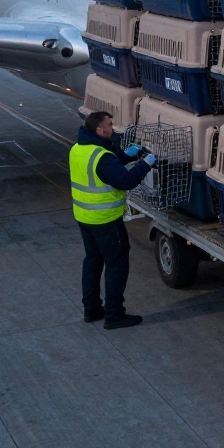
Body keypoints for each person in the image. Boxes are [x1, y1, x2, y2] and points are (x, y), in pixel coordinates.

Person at [70, 111, 156, 330]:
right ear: (100, 130)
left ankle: (91, 309)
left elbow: (103, 169)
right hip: (105, 220)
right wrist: (146, 163)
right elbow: (124, 180)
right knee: (116, 265)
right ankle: (115, 315)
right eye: (109, 124)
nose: (112, 127)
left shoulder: (79, 149)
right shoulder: (101, 156)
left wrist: (126, 156)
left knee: (92, 261)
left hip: (84, 217)